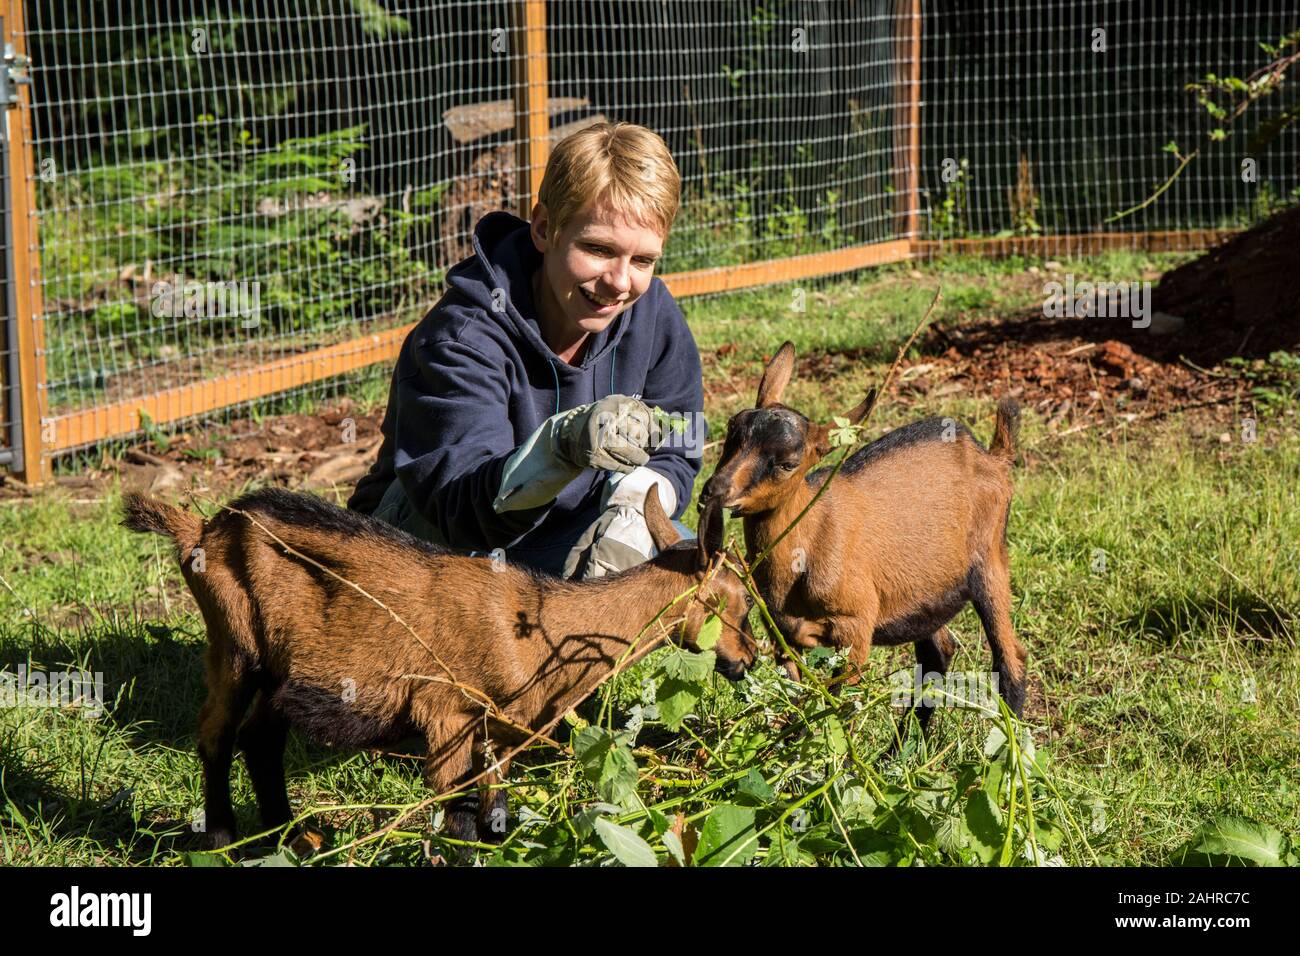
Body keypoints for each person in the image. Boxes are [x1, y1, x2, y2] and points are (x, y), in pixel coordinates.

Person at [347, 122, 705, 579]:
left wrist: (635, 510)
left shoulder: (654, 315)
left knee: (695, 570)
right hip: (436, 544)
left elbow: (683, 436)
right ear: (543, 228)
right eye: (597, 248)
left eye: (642, 260)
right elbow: (460, 508)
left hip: (565, 530)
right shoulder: (463, 337)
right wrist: (557, 450)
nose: (619, 282)